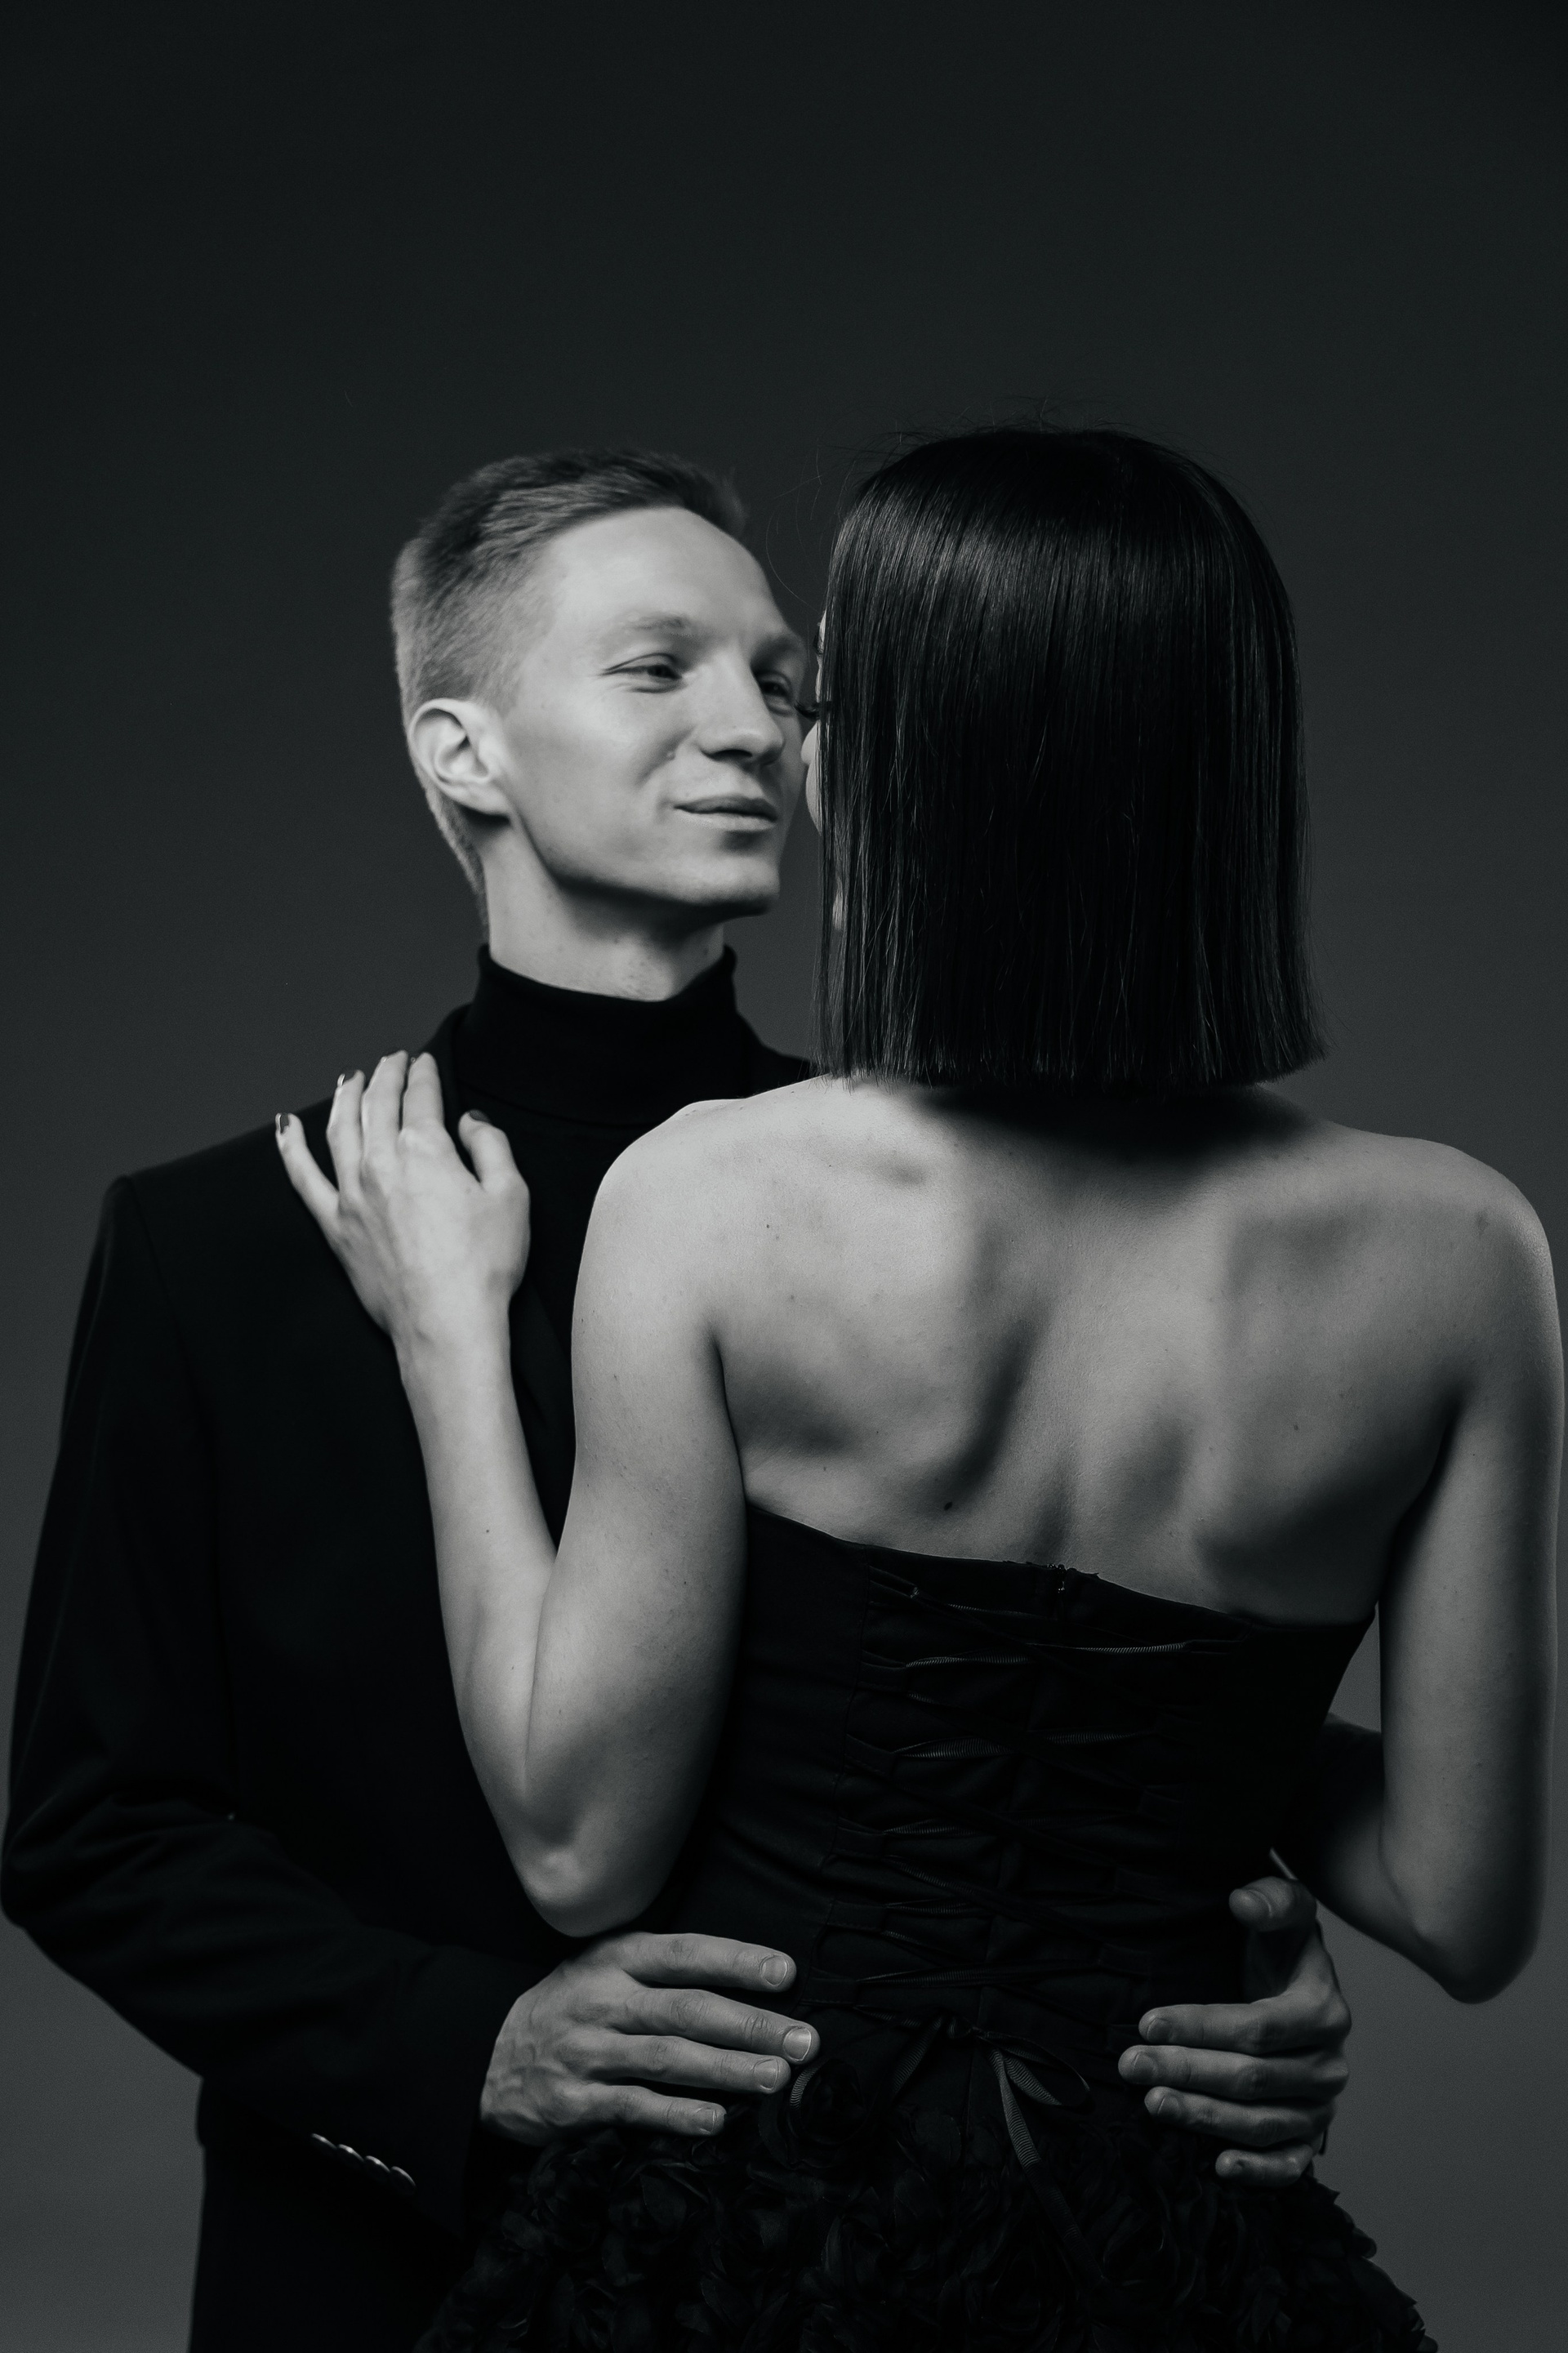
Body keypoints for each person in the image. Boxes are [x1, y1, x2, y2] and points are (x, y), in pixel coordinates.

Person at [6, 447, 1356, 2353]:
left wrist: (1223, 1943)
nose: (755, 727)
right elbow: (93, 1825)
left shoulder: (961, 1208)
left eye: (784, 680)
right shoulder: (216, 1244)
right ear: (464, 751)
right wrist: (462, 2045)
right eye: (660, 669)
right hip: (375, 2269)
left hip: (852, 2275)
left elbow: (1058, 1668)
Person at [281, 426, 1560, 2352]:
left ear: (908, 772)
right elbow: (1461, 1901)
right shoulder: (1463, 1255)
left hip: (746, 2229)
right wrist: (1194, 1729)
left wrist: (452, 1341)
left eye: (831, 705)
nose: (794, 747)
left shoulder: (712, 1199)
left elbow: (579, 1842)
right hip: (1164, 2231)